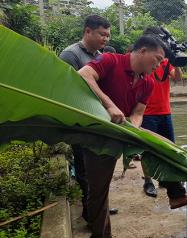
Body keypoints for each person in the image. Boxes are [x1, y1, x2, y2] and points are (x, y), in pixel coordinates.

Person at [77, 35, 167, 238]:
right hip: (97, 137)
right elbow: (83, 74)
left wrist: (132, 129)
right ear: (143, 51)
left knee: (164, 145)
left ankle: (176, 192)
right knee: (98, 191)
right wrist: (109, 105)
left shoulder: (148, 82)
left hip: (120, 135)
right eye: (158, 59)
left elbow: (138, 113)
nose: (159, 65)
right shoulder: (111, 60)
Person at [139, 27, 187, 209]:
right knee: (148, 151)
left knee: (170, 149)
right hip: (147, 113)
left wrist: (177, 64)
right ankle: (148, 180)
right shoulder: (142, 59)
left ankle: (167, 183)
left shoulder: (166, 61)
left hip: (165, 111)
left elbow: (177, 79)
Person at [59, 15, 111, 222]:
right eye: (102, 34)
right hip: (80, 123)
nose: (105, 39)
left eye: (107, 35)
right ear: (87, 31)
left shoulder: (99, 55)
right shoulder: (70, 55)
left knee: (96, 169)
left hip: (97, 121)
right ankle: (90, 213)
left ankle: (97, 209)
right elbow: (66, 91)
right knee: (84, 168)